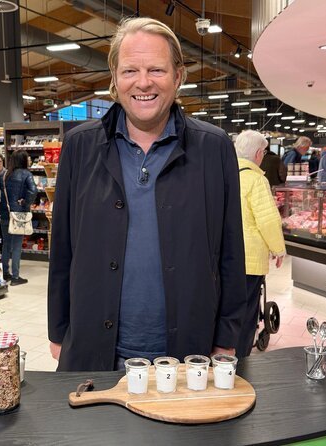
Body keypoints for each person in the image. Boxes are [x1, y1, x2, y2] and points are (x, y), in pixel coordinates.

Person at [47, 17, 247, 372]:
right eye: (130, 71)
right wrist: (59, 329)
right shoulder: (80, 146)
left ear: (178, 76)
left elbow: (231, 251)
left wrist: (227, 336)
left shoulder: (213, 148)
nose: (143, 83)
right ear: (114, 77)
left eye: (156, 69)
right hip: (95, 348)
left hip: (188, 351)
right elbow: (62, 245)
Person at [233, 130, 285, 358]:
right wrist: (279, 249)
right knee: (246, 313)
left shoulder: (224, 175)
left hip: (223, 256)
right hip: (249, 259)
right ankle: (241, 359)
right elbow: (268, 220)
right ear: (257, 154)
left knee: (226, 309)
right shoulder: (256, 180)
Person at [0, 150, 37, 286]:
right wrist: (25, 202)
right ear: (23, 160)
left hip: (5, 213)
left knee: (6, 244)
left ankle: (5, 273)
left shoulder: (5, 174)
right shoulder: (26, 174)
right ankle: (16, 277)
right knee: (17, 246)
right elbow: (33, 191)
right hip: (19, 214)